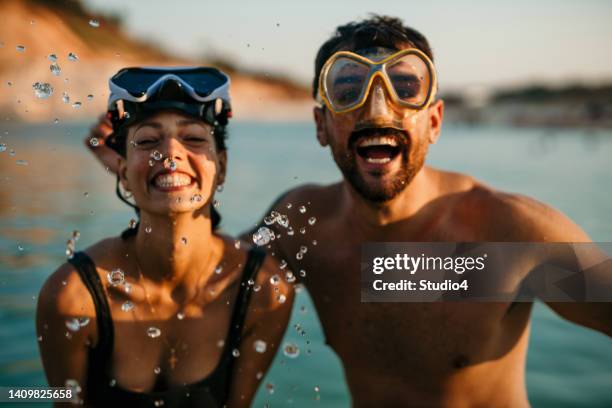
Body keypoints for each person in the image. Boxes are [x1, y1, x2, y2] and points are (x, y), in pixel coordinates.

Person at [85, 18, 612, 407]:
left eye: (405, 88)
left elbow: (395, 273)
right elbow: (204, 268)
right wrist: (148, 169)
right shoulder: (306, 226)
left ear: (434, 121)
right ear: (320, 125)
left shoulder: (508, 233)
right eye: (348, 89)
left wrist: (466, 270)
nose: (377, 107)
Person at [37, 67, 293, 408]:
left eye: (193, 138)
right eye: (147, 141)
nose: (171, 154)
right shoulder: (72, 296)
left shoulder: (262, 290)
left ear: (222, 167)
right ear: (124, 173)